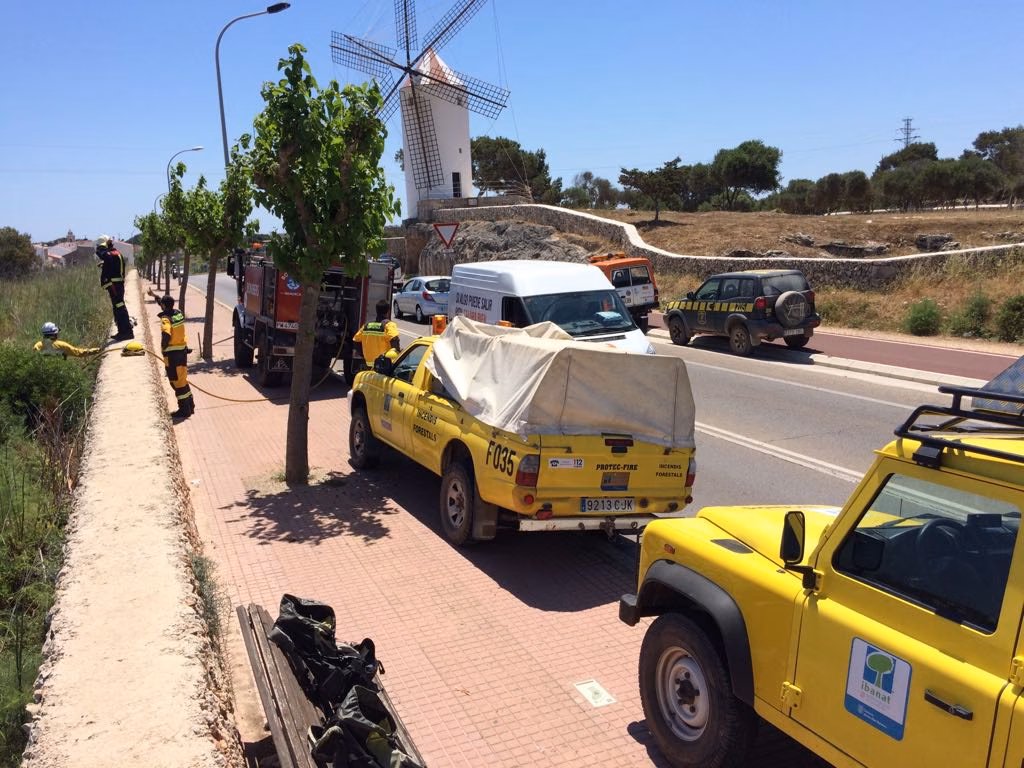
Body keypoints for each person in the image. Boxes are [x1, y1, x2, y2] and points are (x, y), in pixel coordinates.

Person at [158, 295, 194, 419]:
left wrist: (163, 347)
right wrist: (155, 297)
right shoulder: (178, 313)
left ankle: (184, 410)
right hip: (182, 352)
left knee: (176, 383)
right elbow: (166, 307)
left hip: (172, 356)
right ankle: (190, 405)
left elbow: (166, 334)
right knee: (182, 379)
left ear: (163, 305)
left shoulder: (166, 319)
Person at [96, 235, 134, 341]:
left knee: (119, 308)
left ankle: (127, 332)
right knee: (118, 308)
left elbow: (102, 254)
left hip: (114, 285)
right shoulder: (115, 253)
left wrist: (101, 248)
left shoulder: (110, 254)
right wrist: (105, 265)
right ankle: (122, 331)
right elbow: (112, 265)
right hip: (116, 285)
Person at [353, 299, 401, 368]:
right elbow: (395, 340)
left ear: (376, 311)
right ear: (388, 311)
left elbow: (356, 341)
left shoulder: (366, 326)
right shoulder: (388, 325)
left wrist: (362, 354)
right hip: (384, 366)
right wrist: (398, 357)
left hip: (369, 365)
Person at [33, 322, 100, 358]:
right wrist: (97, 350)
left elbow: (34, 357)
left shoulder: (38, 345)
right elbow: (79, 353)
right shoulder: (62, 345)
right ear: (54, 334)